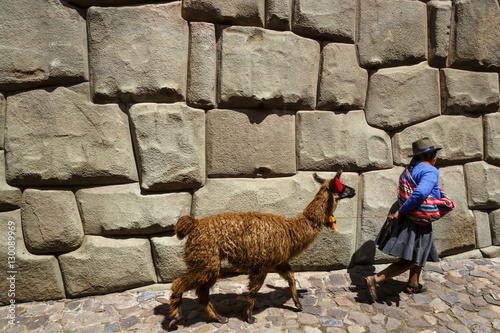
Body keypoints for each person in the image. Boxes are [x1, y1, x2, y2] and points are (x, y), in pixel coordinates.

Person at [365, 137, 455, 300]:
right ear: (432, 156)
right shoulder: (429, 170)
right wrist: (402, 212)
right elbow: (420, 193)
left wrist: (401, 211)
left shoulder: (410, 169)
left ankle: (412, 284)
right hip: (415, 216)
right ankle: (375, 279)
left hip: (407, 213)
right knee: (410, 258)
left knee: (419, 251)